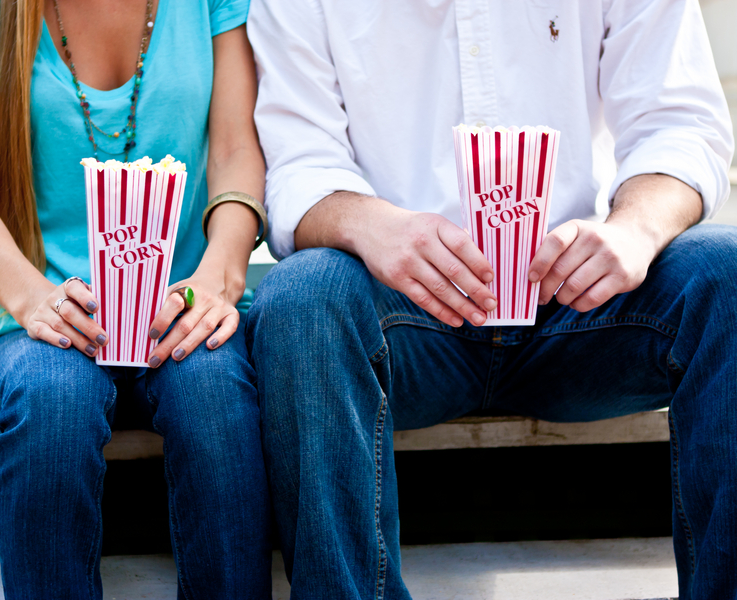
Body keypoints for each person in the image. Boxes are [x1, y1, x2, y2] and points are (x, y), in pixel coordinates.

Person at [246, 1, 736, 598]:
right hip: (402, 315)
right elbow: (298, 162)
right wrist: (371, 224)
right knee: (301, 296)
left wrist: (633, 229)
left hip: (580, 302)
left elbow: (679, 125)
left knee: (726, 269)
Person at [0, 0, 271, 597]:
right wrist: (33, 297)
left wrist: (220, 271)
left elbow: (235, 151)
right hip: (40, 322)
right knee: (53, 399)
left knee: (215, 394)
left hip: (182, 311)